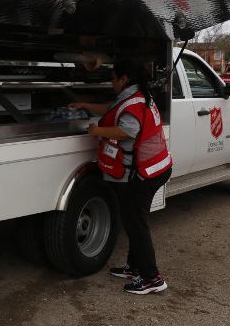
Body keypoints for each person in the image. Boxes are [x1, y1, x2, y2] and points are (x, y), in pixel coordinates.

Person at [69, 59, 172, 295]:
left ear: (124, 79)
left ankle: (152, 278)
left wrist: (96, 131)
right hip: (154, 168)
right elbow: (111, 110)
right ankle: (134, 268)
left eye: (113, 78)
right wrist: (84, 104)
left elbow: (127, 130)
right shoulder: (135, 95)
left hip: (145, 172)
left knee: (136, 225)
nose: (111, 82)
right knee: (134, 220)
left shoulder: (133, 102)